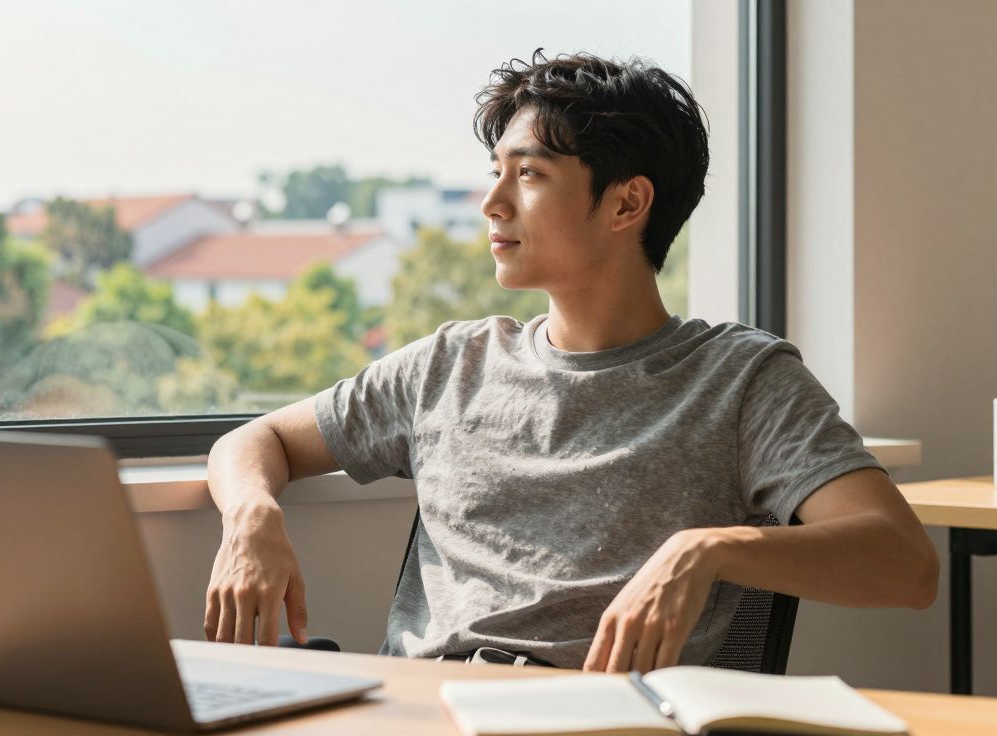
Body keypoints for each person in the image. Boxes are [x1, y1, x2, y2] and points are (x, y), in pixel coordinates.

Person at [202, 50, 938, 672]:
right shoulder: (451, 365)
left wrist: (707, 549)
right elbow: (252, 442)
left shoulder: (742, 382)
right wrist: (251, 516)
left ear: (626, 205)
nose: (491, 202)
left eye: (528, 175)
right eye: (496, 171)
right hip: (419, 710)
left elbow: (905, 564)